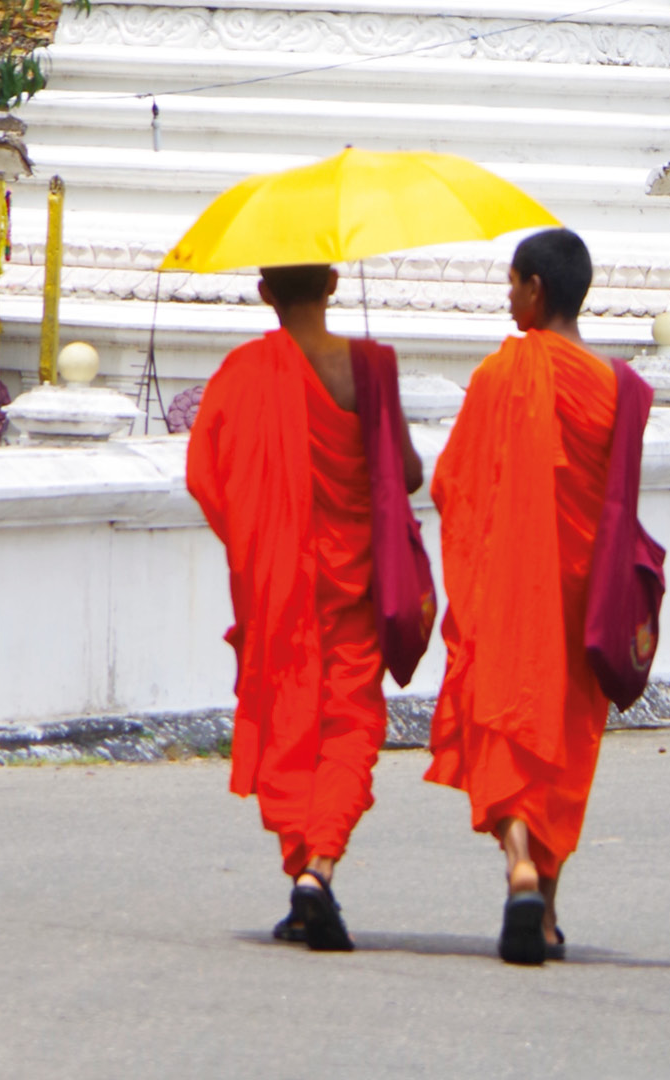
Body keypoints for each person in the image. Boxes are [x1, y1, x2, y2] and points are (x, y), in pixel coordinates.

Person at [185, 263, 423, 952]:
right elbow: (407, 474)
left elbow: (205, 476)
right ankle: (318, 870)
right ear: (334, 283)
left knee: (287, 723)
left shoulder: (242, 371)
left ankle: (306, 878)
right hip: (358, 585)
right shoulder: (370, 367)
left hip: (278, 585)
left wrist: (261, 535)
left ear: (265, 292)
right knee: (350, 725)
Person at [426, 228, 622, 966]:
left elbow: (453, 485)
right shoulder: (613, 387)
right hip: (580, 605)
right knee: (564, 745)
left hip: (507, 595)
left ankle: (519, 864)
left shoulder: (498, 376)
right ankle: (545, 913)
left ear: (536, 289)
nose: (508, 299)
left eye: (511, 285)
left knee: (506, 725)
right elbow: (618, 505)